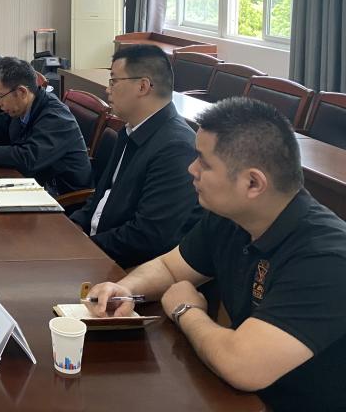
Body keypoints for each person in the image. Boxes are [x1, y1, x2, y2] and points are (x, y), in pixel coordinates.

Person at [87, 98, 346, 411]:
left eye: (204, 162)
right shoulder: (231, 217)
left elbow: (242, 366)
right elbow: (170, 268)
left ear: (253, 183)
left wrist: (185, 309)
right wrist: (125, 289)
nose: (191, 169)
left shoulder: (327, 260)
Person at [69, 44, 200, 268]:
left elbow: (148, 237)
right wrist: (73, 228)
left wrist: (84, 248)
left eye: (114, 81)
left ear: (142, 86)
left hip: (127, 267)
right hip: (99, 247)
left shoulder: (176, 147)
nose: (107, 89)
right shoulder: (130, 129)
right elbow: (101, 196)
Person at [0, 57, 91, 195]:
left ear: (22, 92)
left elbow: (28, 158)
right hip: (31, 181)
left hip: (58, 195)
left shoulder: (56, 117)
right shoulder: (22, 106)